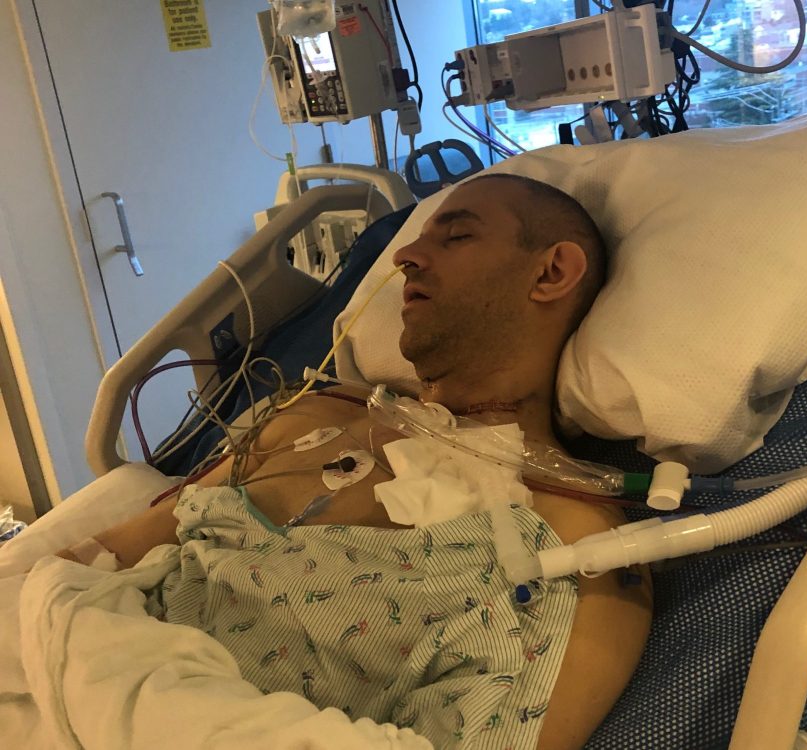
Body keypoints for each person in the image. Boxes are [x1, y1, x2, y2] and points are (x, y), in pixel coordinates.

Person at [58, 174, 653, 749]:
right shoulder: (309, 415)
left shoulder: (579, 545)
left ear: (551, 273)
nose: (405, 256)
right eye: (416, 238)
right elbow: (93, 565)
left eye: (457, 236)